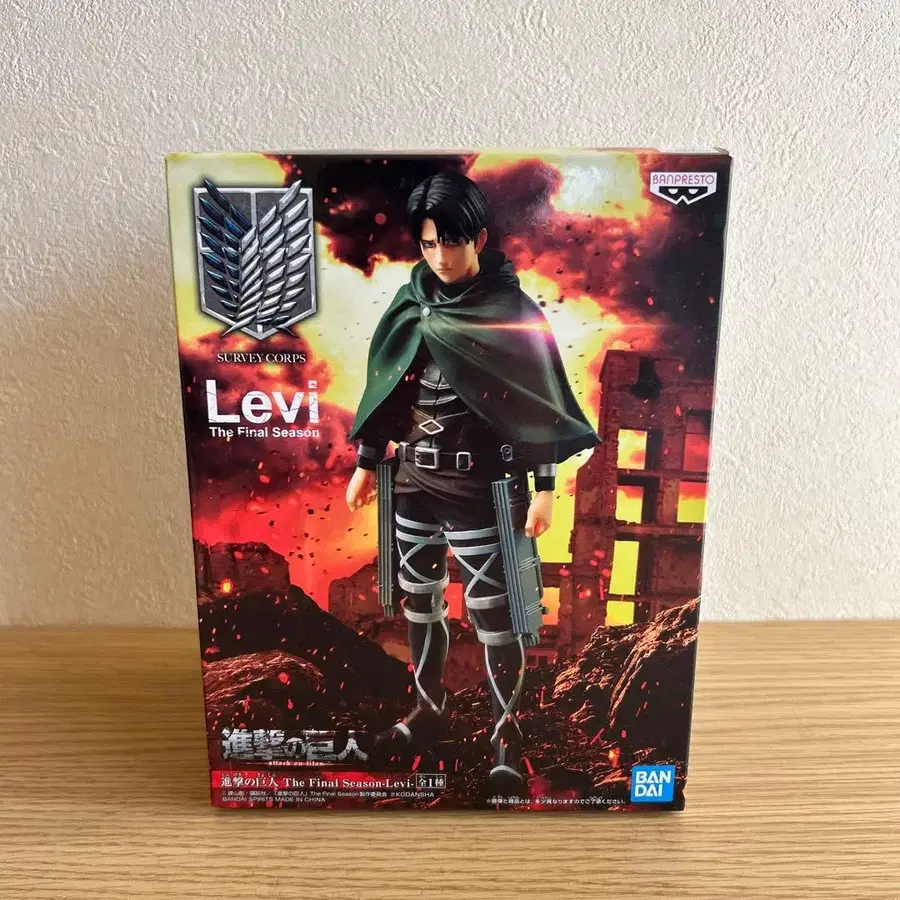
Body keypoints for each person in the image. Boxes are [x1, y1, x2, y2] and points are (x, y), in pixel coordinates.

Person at [346, 170, 598, 792]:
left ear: (479, 238)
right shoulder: (411, 302)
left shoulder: (511, 313)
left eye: (452, 243)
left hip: (480, 487)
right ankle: (427, 713)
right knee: (419, 602)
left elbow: (538, 403)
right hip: (413, 481)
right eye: (429, 244)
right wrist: (367, 459)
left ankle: (506, 736)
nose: (440, 257)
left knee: (495, 615)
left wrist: (545, 487)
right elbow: (389, 386)